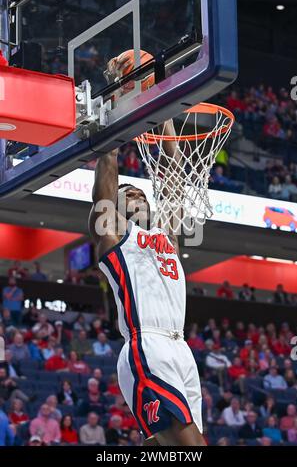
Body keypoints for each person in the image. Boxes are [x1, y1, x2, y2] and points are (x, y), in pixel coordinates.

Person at [89, 56, 205, 447]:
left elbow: (173, 178)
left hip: (181, 349)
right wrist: (112, 116)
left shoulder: (164, 236)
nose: (135, 193)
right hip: (146, 345)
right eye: (128, 193)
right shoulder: (116, 241)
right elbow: (107, 181)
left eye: (139, 192)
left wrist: (166, 111)